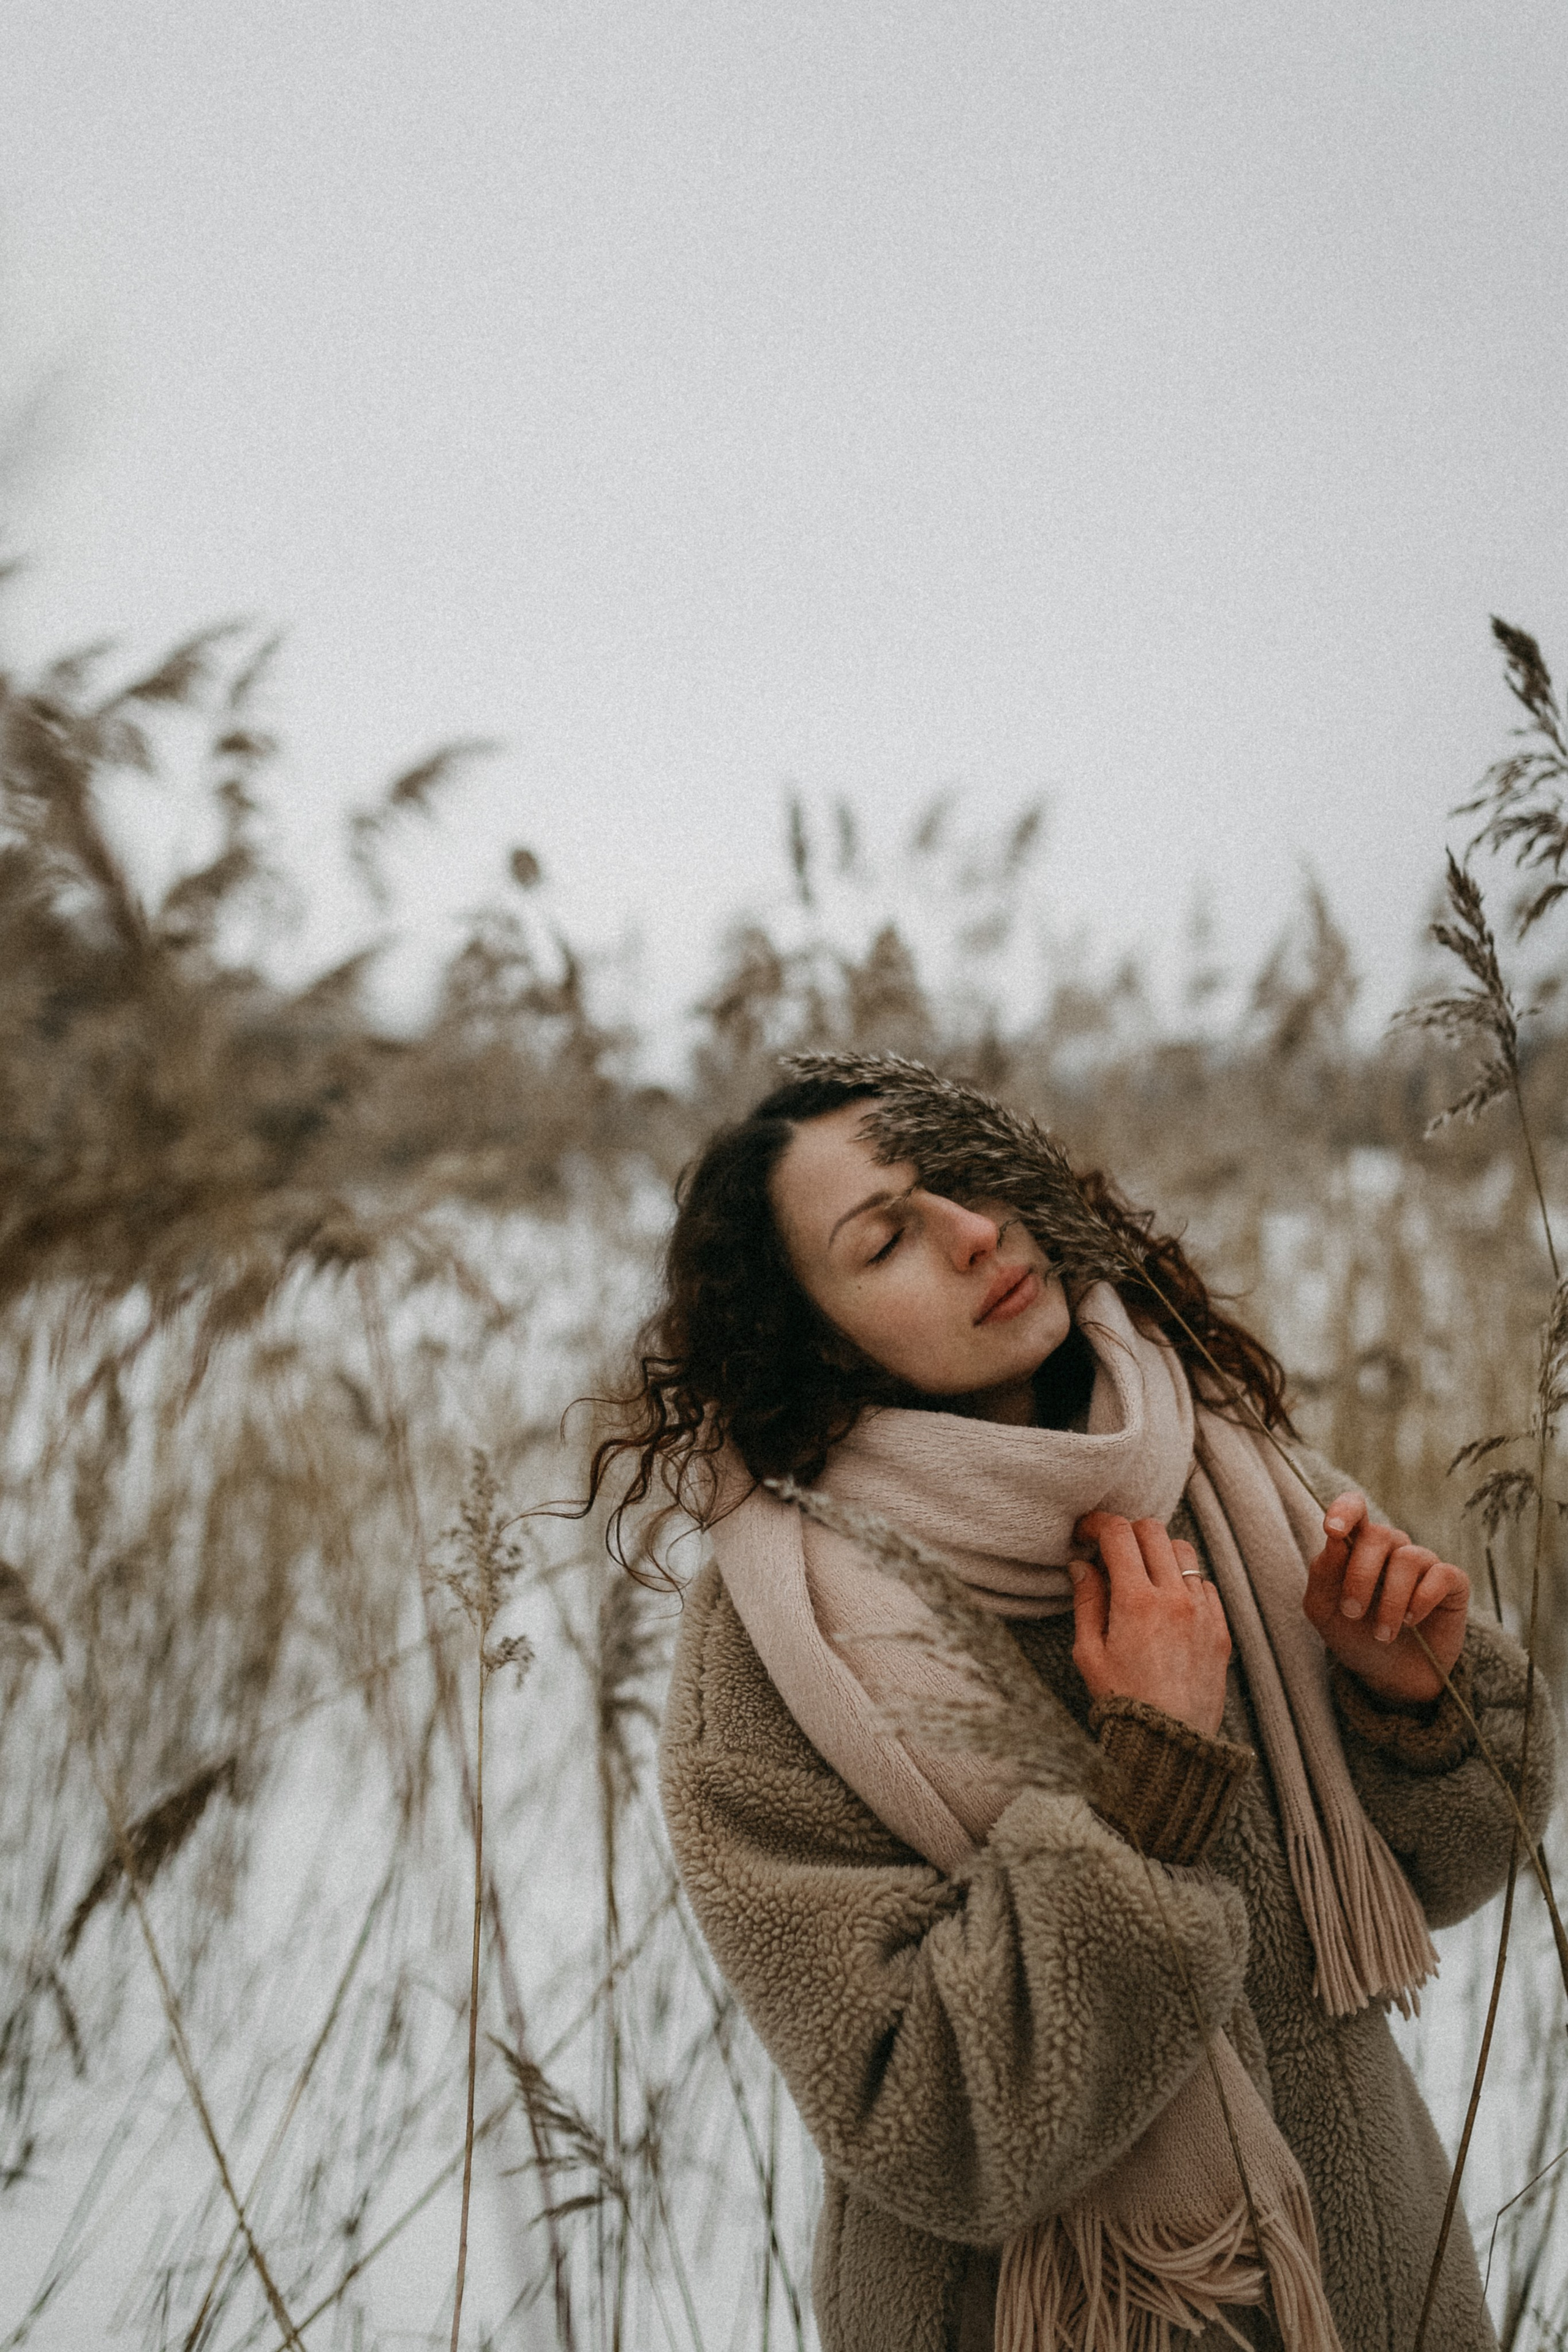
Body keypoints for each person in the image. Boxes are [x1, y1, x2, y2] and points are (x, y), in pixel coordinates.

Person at [582, 1059, 1555, 2352]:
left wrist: (1414, 1701)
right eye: (884, 1240)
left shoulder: (1217, 1470)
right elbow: (920, 2118)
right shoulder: (781, 1645)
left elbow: (1439, 1871)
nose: (974, 1234)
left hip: (1369, 2270)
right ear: (815, 1338)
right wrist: (1143, 1800)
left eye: (963, 1178)